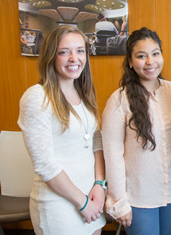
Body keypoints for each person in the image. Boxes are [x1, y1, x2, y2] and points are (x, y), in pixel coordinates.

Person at [18, 25, 106, 235]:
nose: (74, 58)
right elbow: (44, 164)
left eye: (80, 50)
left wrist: (100, 185)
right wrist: (82, 203)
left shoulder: (84, 94)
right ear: (51, 56)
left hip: (92, 198)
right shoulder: (37, 97)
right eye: (64, 52)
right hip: (59, 205)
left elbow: (96, 141)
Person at [102, 27, 171, 235]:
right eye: (141, 56)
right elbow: (113, 154)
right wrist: (118, 200)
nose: (150, 62)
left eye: (155, 53)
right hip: (138, 198)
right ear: (130, 62)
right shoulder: (119, 100)